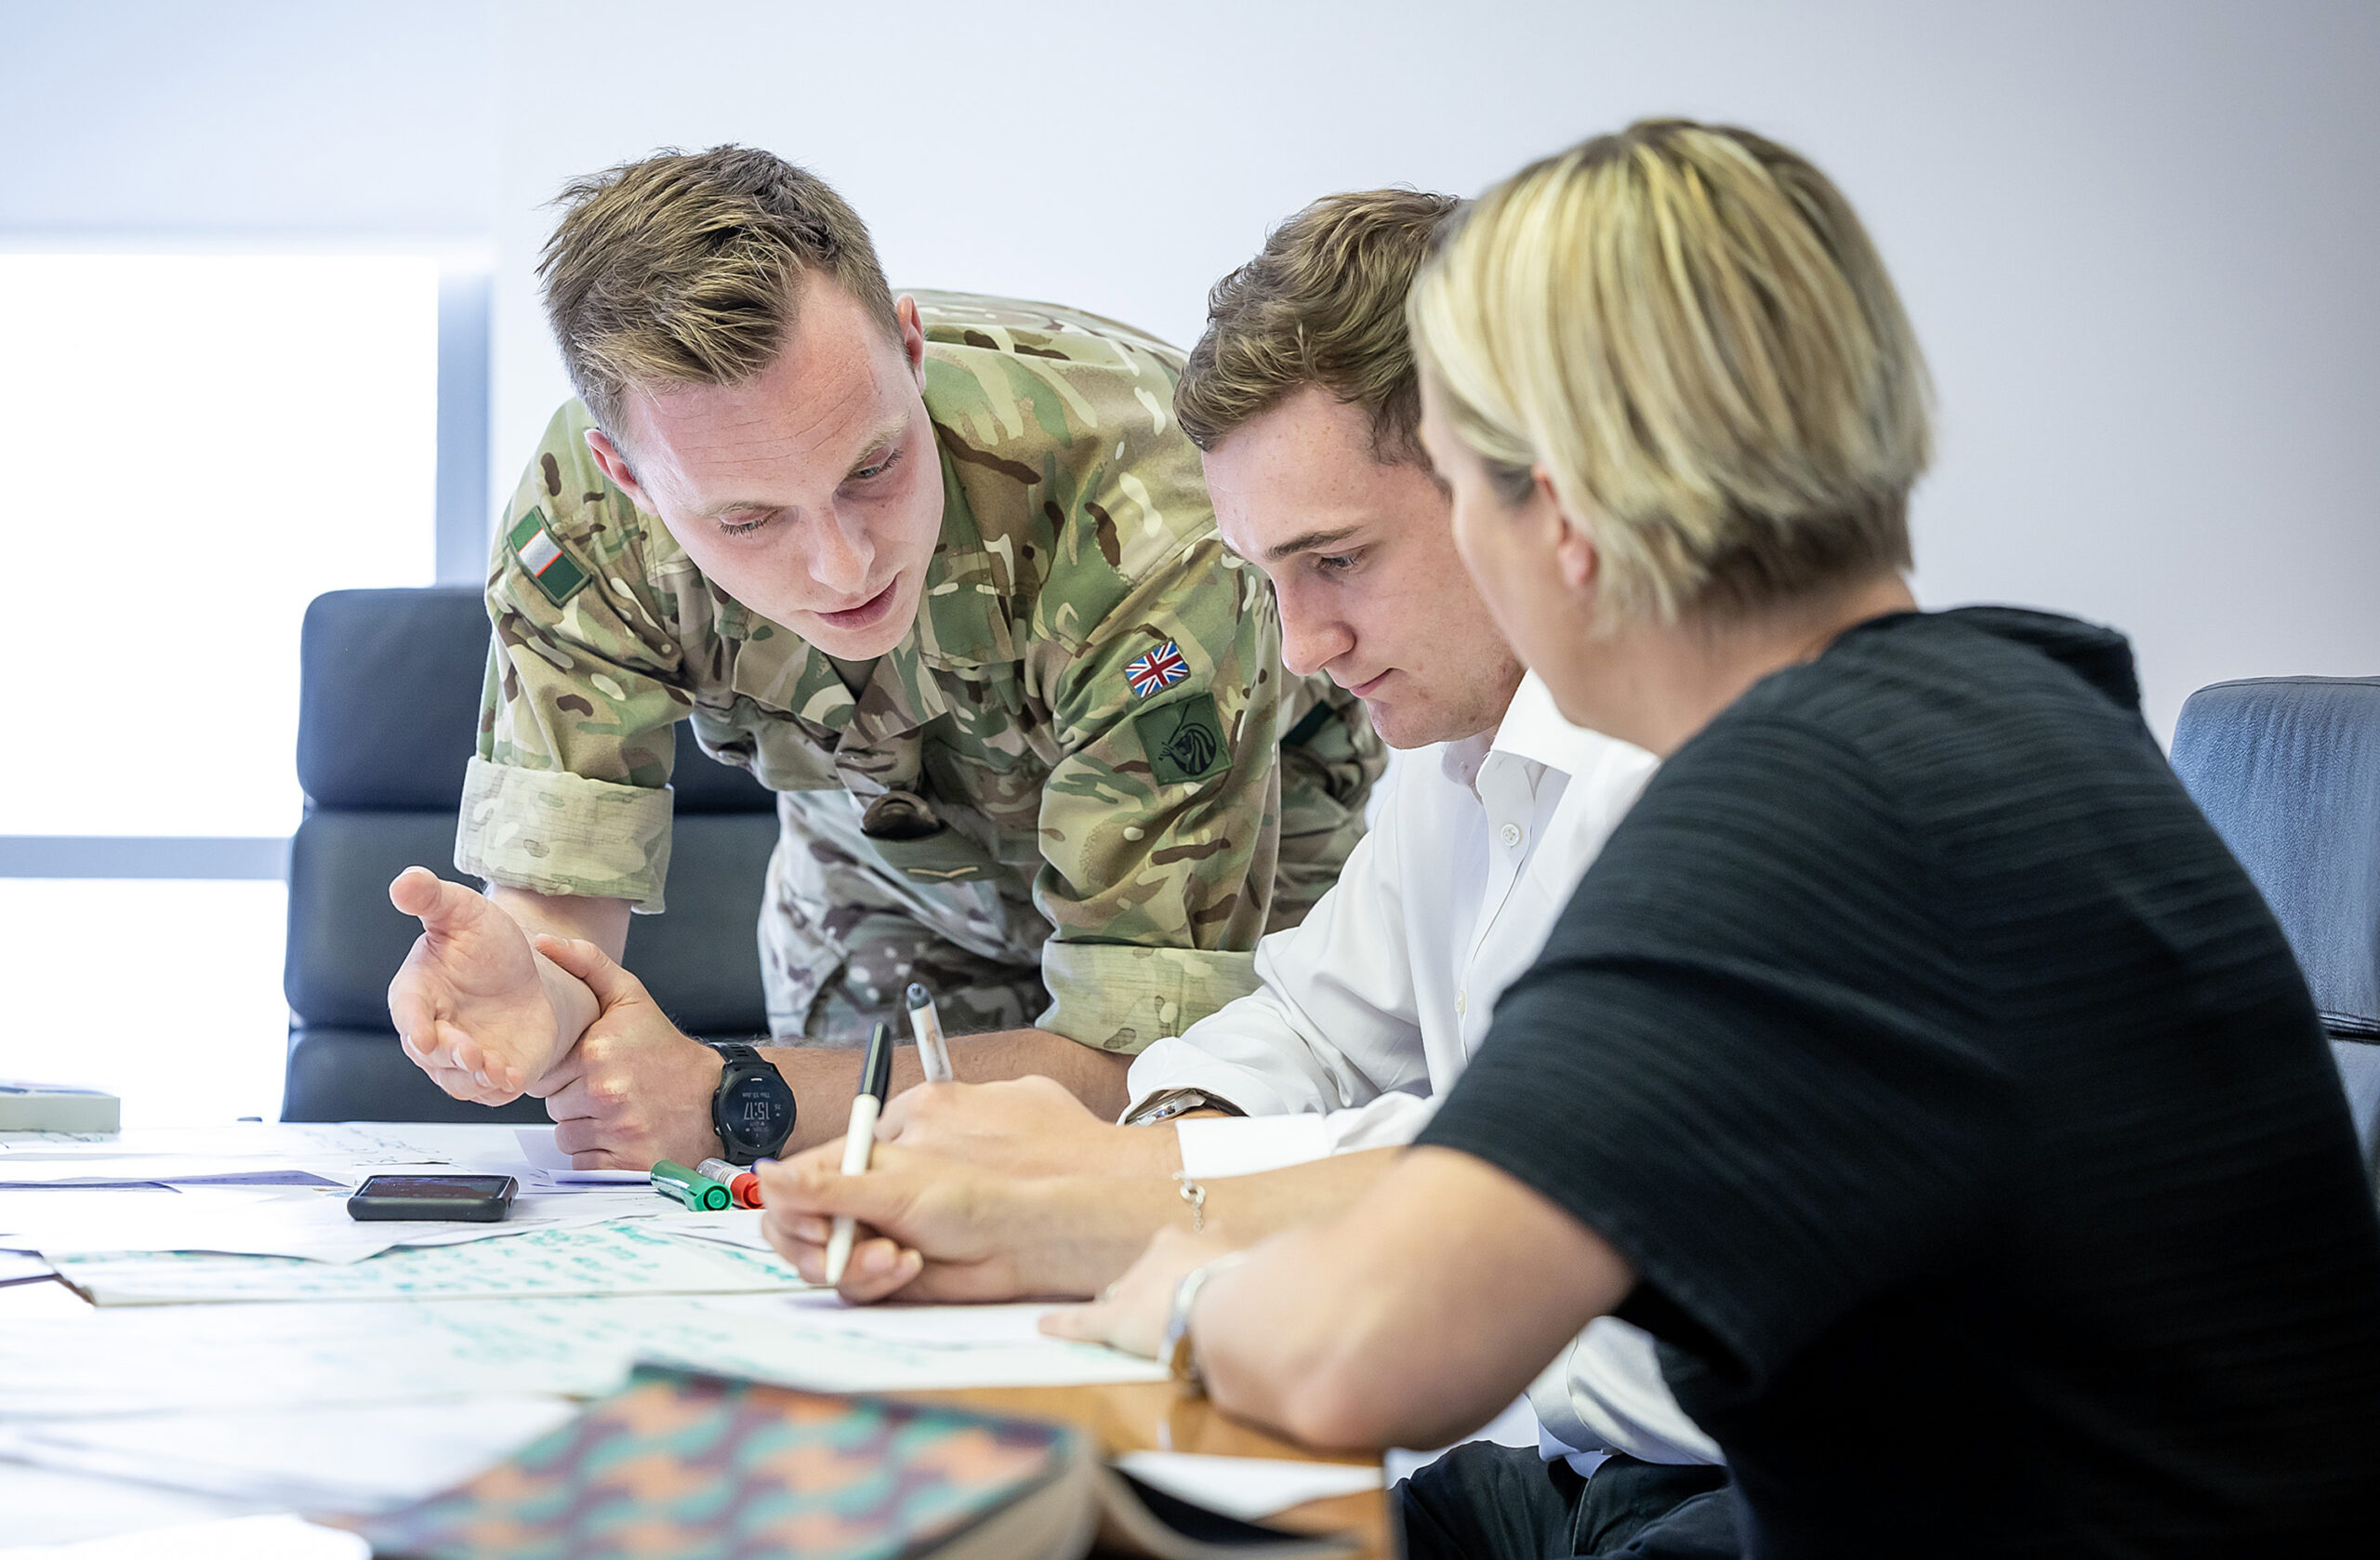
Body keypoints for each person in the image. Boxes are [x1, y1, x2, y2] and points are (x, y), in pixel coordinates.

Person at [1029, 119, 2380, 1557]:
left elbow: (1379, 1342)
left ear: (1570, 494)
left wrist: (1159, 1277)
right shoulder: (1994, 712)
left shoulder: (1799, 807)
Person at [749, 189, 1728, 1542]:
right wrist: (1160, 1152)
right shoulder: (1456, 747)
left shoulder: (1692, 776)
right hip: (1557, 1456)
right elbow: (1307, 1022)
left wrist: (1126, 1202)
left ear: (1527, 473)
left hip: (1713, 1482)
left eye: (1337, 560)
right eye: (1267, 575)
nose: (1304, 645)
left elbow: (1524, 1196)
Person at [382, 146, 1381, 1169]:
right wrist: (534, 1004)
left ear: (910, 349)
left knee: (1169, 1192)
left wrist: (735, 1096)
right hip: (880, 882)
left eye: (873, 466)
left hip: (1231, 873)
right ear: (628, 479)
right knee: (851, 1221)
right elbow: (564, 948)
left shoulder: (1153, 511)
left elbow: (1148, 1048)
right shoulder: (585, 528)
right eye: (749, 519)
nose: (842, 563)